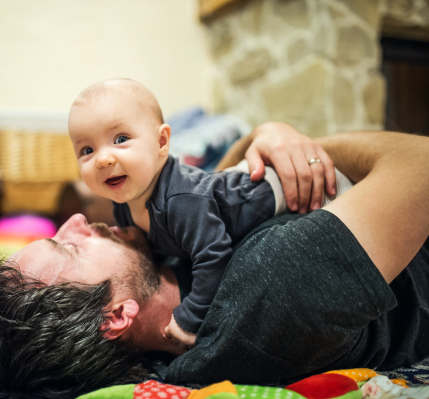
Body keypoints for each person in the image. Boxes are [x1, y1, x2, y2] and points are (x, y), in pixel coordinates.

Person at [0, 125, 429, 399]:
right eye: (67, 246)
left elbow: (207, 193)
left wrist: (263, 135)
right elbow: (422, 162)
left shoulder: (161, 293)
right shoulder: (273, 285)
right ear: (116, 316)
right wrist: (312, 148)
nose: (77, 220)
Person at [67, 79, 339, 348]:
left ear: (162, 142)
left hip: (292, 187)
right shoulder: (123, 204)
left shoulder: (181, 200)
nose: (103, 159)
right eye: (87, 150)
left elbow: (213, 255)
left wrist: (190, 317)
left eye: (121, 139)